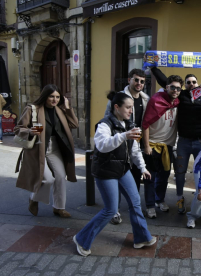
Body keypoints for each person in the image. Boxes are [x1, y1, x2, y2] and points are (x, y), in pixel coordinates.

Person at [73, 91, 155, 256]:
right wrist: (123, 136)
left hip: (122, 169)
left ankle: (141, 238)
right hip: (105, 171)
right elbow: (103, 145)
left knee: (135, 201)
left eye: (132, 108)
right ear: (116, 107)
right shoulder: (104, 125)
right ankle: (81, 239)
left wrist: (143, 167)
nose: (131, 111)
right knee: (110, 210)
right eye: (128, 107)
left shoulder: (129, 124)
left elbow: (135, 150)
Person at [14, 84, 78, 218]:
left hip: (55, 148)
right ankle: (34, 199)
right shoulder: (32, 109)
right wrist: (31, 131)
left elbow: (74, 124)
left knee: (61, 176)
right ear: (45, 96)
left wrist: (68, 108)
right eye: (51, 96)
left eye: (57, 97)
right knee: (48, 179)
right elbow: (18, 129)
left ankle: (59, 208)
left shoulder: (60, 110)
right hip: (38, 148)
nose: (54, 100)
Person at [151, 68, 201, 214]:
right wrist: (153, 68)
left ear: (197, 83)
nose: (191, 84)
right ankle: (179, 199)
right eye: (188, 82)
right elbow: (165, 81)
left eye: (193, 82)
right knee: (180, 173)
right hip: (183, 142)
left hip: (200, 142)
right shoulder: (181, 95)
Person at [104, 69, 149, 225]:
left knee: (135, 175)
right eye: (136, 80)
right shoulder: (119, 98)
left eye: (142, 81)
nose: (139, 84)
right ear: (129, 80)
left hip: (135, 141)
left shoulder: (145, 99)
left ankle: (133, 207)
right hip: (119, 140)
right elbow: (106, 119)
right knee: (116, 176)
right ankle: (114, 210)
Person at [142, 75, 183, 218]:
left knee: (164, 176)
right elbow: (145, 124)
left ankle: (160, 200)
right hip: (153, 145)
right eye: (173, 87)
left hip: (168, 146)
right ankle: (150, 205)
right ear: (167, 87)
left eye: (178, 88)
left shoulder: (178, 102)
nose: (175, 90)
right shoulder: (155, 101)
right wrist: (146, 146)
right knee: (150, 177)